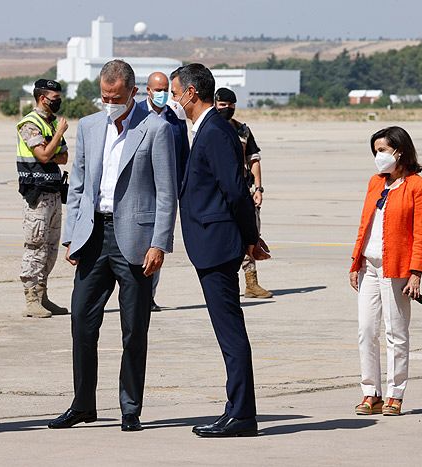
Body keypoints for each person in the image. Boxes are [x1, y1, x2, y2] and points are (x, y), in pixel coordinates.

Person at [48, 60, 177, 432]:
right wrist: (72, 235)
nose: (109, 103)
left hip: (135, 240)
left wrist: (159, 244)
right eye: (104, 97)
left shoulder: (156, 129)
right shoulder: (89, 127)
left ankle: (130, 407)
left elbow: (167, 193)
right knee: (81, 321)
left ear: (132, 93)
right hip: (93, 238)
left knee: (134, 327)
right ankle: (83, 404)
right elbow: (78, 185)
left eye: (115, 97)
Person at [170, 64, 269, 438]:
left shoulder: (215, 131)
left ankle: (242, 414)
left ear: (191, 93)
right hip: (211, 242)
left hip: (218, 243)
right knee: (228, 332)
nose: (175, 100)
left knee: (231, 333)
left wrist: (250, 239)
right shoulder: (202, 129)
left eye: (177, 92)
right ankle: (237, 410)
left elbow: (236, 190)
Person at [349, 126, 422, 416]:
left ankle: (395, 394)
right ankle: (370, 392)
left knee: (395, 332)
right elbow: (365, 226)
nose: (378, 156)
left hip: (396, 268)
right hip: (369, 267)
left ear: (400, 151)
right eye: (375, 151)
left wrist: (416, 272)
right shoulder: (375, 183)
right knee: (366, 331)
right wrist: (355, 261)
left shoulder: (418, 187)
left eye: (383, 150)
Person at [16, 79, 70, 318]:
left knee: (50, 248)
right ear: (42, 98)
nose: (57, 102)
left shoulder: (49, 123)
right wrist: (57, 136)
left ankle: (42, 294)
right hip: (37, 194)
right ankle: (31, 299)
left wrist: (52, 145)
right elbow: (45, 155)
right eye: (54, 98)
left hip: (54, 191)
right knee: (35, 246)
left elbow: (63, 157)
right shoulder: (30, 123)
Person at [137, 71, 190, 311]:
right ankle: (135, 295)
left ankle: (148, 296)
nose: (162, 94)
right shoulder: (134, 114)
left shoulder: (175, 116)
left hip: (165, 192)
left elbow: (183, 155)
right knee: (138, 244)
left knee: (158, 243)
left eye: (165, 90)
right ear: (147, 90)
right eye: (157, 90)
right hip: (140, 190)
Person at [214, 87, 272, 299]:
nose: (227, 109)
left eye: (230, 105)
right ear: (214, 104)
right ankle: (224, 283)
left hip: (244, 191)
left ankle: (251, 283)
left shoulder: (242, 131)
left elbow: (254, 159)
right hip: (219, 194)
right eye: (222, 105)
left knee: (250, 235)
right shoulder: (210, 129)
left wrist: (258, 188)